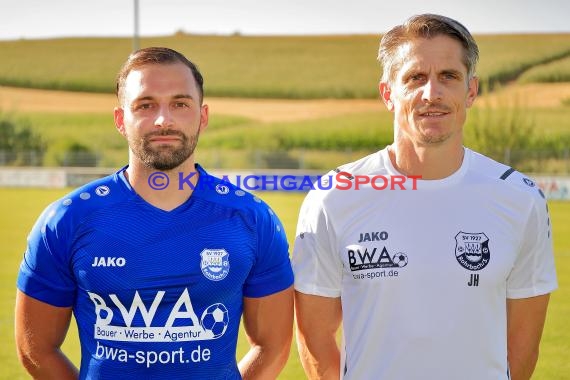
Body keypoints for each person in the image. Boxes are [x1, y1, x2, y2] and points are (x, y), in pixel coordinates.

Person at [292, 14, 557, 380]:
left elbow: (523, 344)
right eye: (415, 78)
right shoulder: (333, 196)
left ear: (471, 91)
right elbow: (315, 338)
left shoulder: (520, 198)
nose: (432, 93)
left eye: (448, 77)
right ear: (388, 93)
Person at [15, 47, 294, 379]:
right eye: (145, 105)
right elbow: (36, 349)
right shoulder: (66, 221)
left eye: (180, 104)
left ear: (202, 117)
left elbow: (272, 346)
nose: (164, 120)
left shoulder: (252, 220)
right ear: (121, 120)